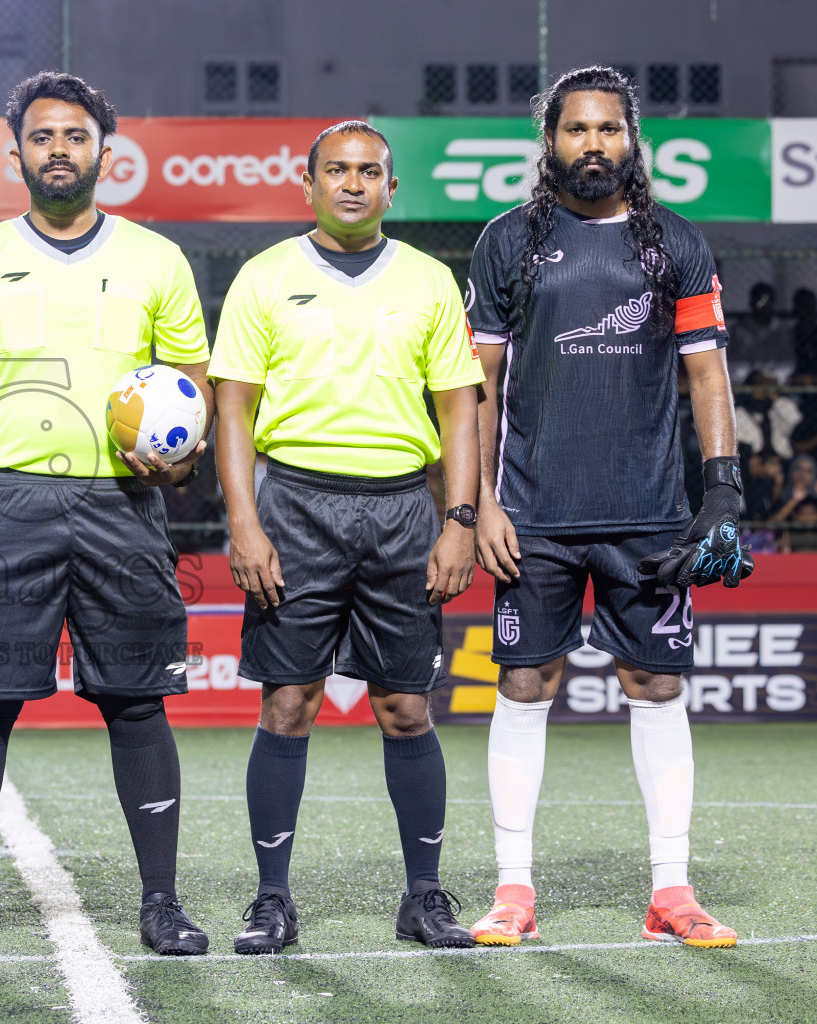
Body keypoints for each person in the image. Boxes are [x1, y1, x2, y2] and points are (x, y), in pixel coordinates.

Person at [0, 71, 213, 957]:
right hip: (4, 505)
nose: (59, 150)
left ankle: (160, 902)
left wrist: (183, 459)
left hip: (122, 505)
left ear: (102, 153)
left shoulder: (156, 259)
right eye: (42, 137)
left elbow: (189, 398)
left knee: (136, 703)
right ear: (16, 155)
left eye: (75, 137)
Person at [468, 66, 748, 949]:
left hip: (650, 515)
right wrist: (477, 503)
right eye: (576, 130)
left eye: (610, 129)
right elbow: (481, 380)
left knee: (657, 686)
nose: (594, 144)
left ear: (633, 140)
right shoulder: (508, 242)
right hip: (536, 513)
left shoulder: (676, 243)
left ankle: (672, 888)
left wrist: (722, 488)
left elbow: (707, 370)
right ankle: (514, 889)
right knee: (523, 685)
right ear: (549, 143)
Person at [210, 120, 483, 954]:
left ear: (392, 190)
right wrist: (245, 520)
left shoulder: (432, 280)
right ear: (311, 184)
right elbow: (232, 408)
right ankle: (271, 900)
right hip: (294, 507)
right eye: (338, 170)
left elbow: (460, 409)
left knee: (405, 708)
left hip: (403, 510)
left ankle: (425, 897)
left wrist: (460, 519)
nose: (355, 183)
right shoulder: (265, 277)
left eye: (370, 172)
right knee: (288, 704)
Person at [733, 370, 800, 460]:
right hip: (753, 459)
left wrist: (775, 396)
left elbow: (794, 420)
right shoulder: (739, 413)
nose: (762, 388)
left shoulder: (776, 408)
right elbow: (742, 444)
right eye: (758, 383)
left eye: (765, 384)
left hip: (780, 458)